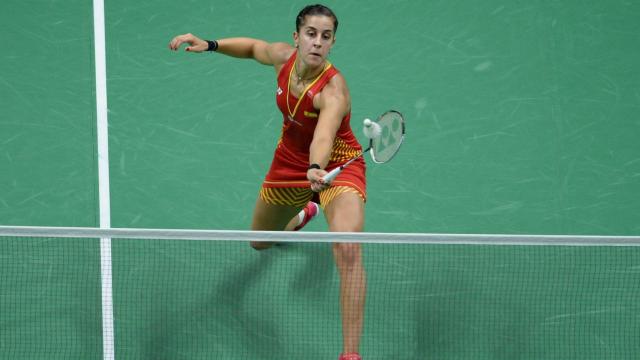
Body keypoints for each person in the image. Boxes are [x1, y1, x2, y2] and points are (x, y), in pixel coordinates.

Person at [169, 5, 365, 360]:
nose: (317, 42)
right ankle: (304, 213)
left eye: (325, 36)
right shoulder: (283, 59)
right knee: (259, 242)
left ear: (333, 42)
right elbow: (253, 48)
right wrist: (210, 44)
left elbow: (323, 135)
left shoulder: (333, 91)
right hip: (289, 164)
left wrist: (318, 167)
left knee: (348, 248)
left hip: (336, 167)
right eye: (311, 33)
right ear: (297, 37)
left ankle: (350, 354)